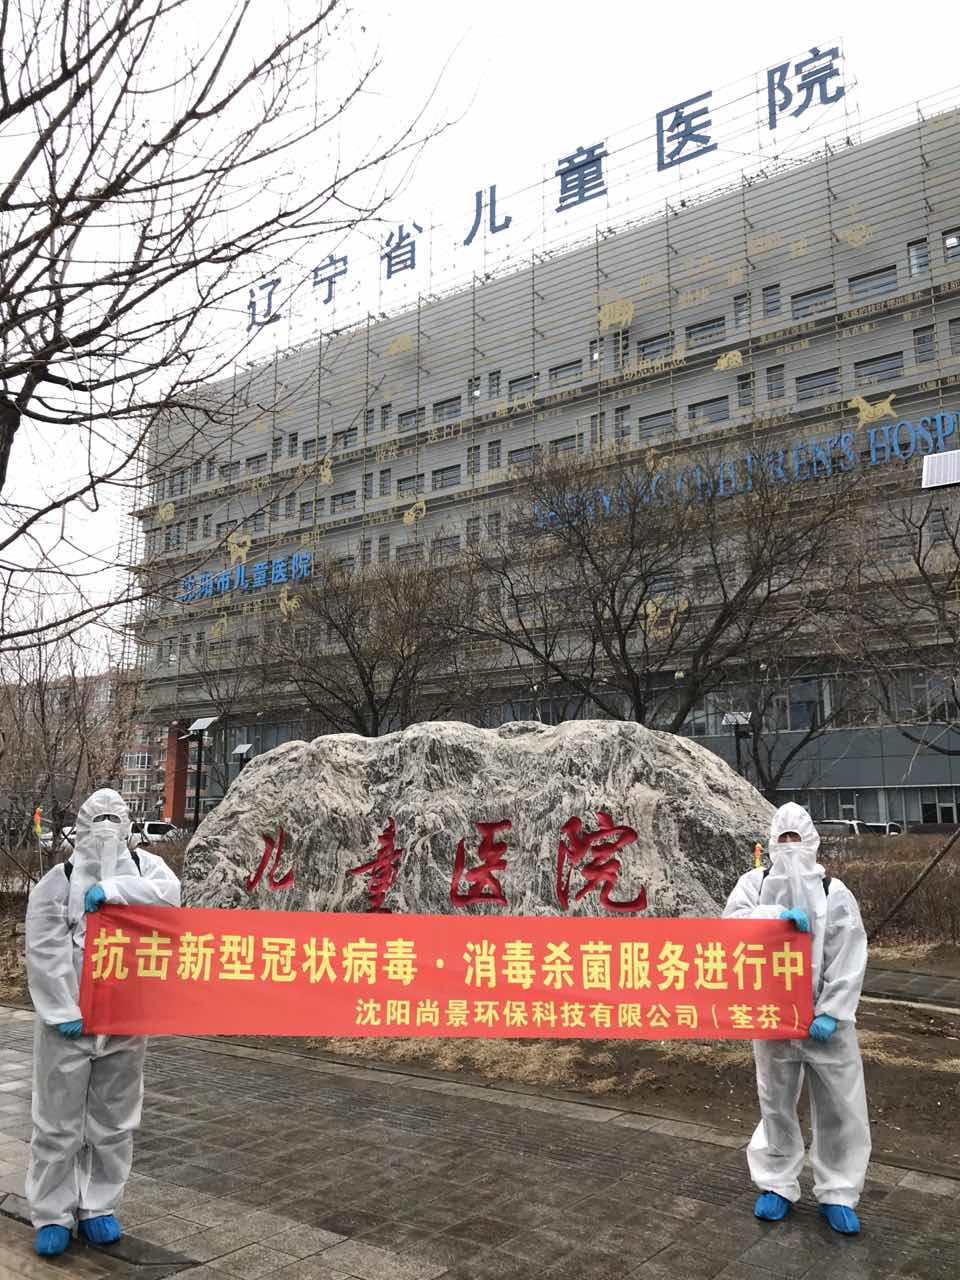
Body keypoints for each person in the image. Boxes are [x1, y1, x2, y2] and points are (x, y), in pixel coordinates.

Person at [25, 788, 180, 1258]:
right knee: (57, 1123)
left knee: (114, 1120)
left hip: (125, 1019)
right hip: (69, 1025)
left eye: (116, 820)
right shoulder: (58, 880)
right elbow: (44, 949)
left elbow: (170, 901)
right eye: (99, 822)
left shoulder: (147, 870)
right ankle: (52, 1213)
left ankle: (98, 1206)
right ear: (81, 828)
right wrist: (62, 1009)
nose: (108, 832)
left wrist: (115, 892)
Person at [723, 801, 870, 1235]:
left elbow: (849, 954)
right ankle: (776, 1184)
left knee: (840, 1105)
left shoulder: (833, 891)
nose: (790, 846)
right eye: (783, 838)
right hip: (773, 1016)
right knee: (775, 1101)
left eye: (796, 838)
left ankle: (839, 1192)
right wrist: (774, 918)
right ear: (772, 842)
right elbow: (731, 927)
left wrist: (832, 1011)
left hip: (826, 1022)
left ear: (811, 841)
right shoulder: (754, 885)